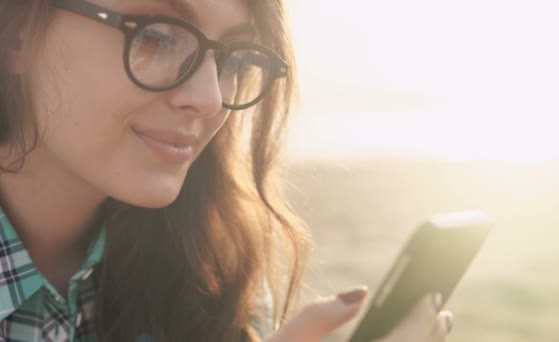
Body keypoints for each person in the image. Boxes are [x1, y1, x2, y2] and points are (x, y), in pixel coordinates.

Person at [0, 0, 453, 341]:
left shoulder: (208, 269)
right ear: (18, 34)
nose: (211, 97)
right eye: (157, 37)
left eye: (237, 59)